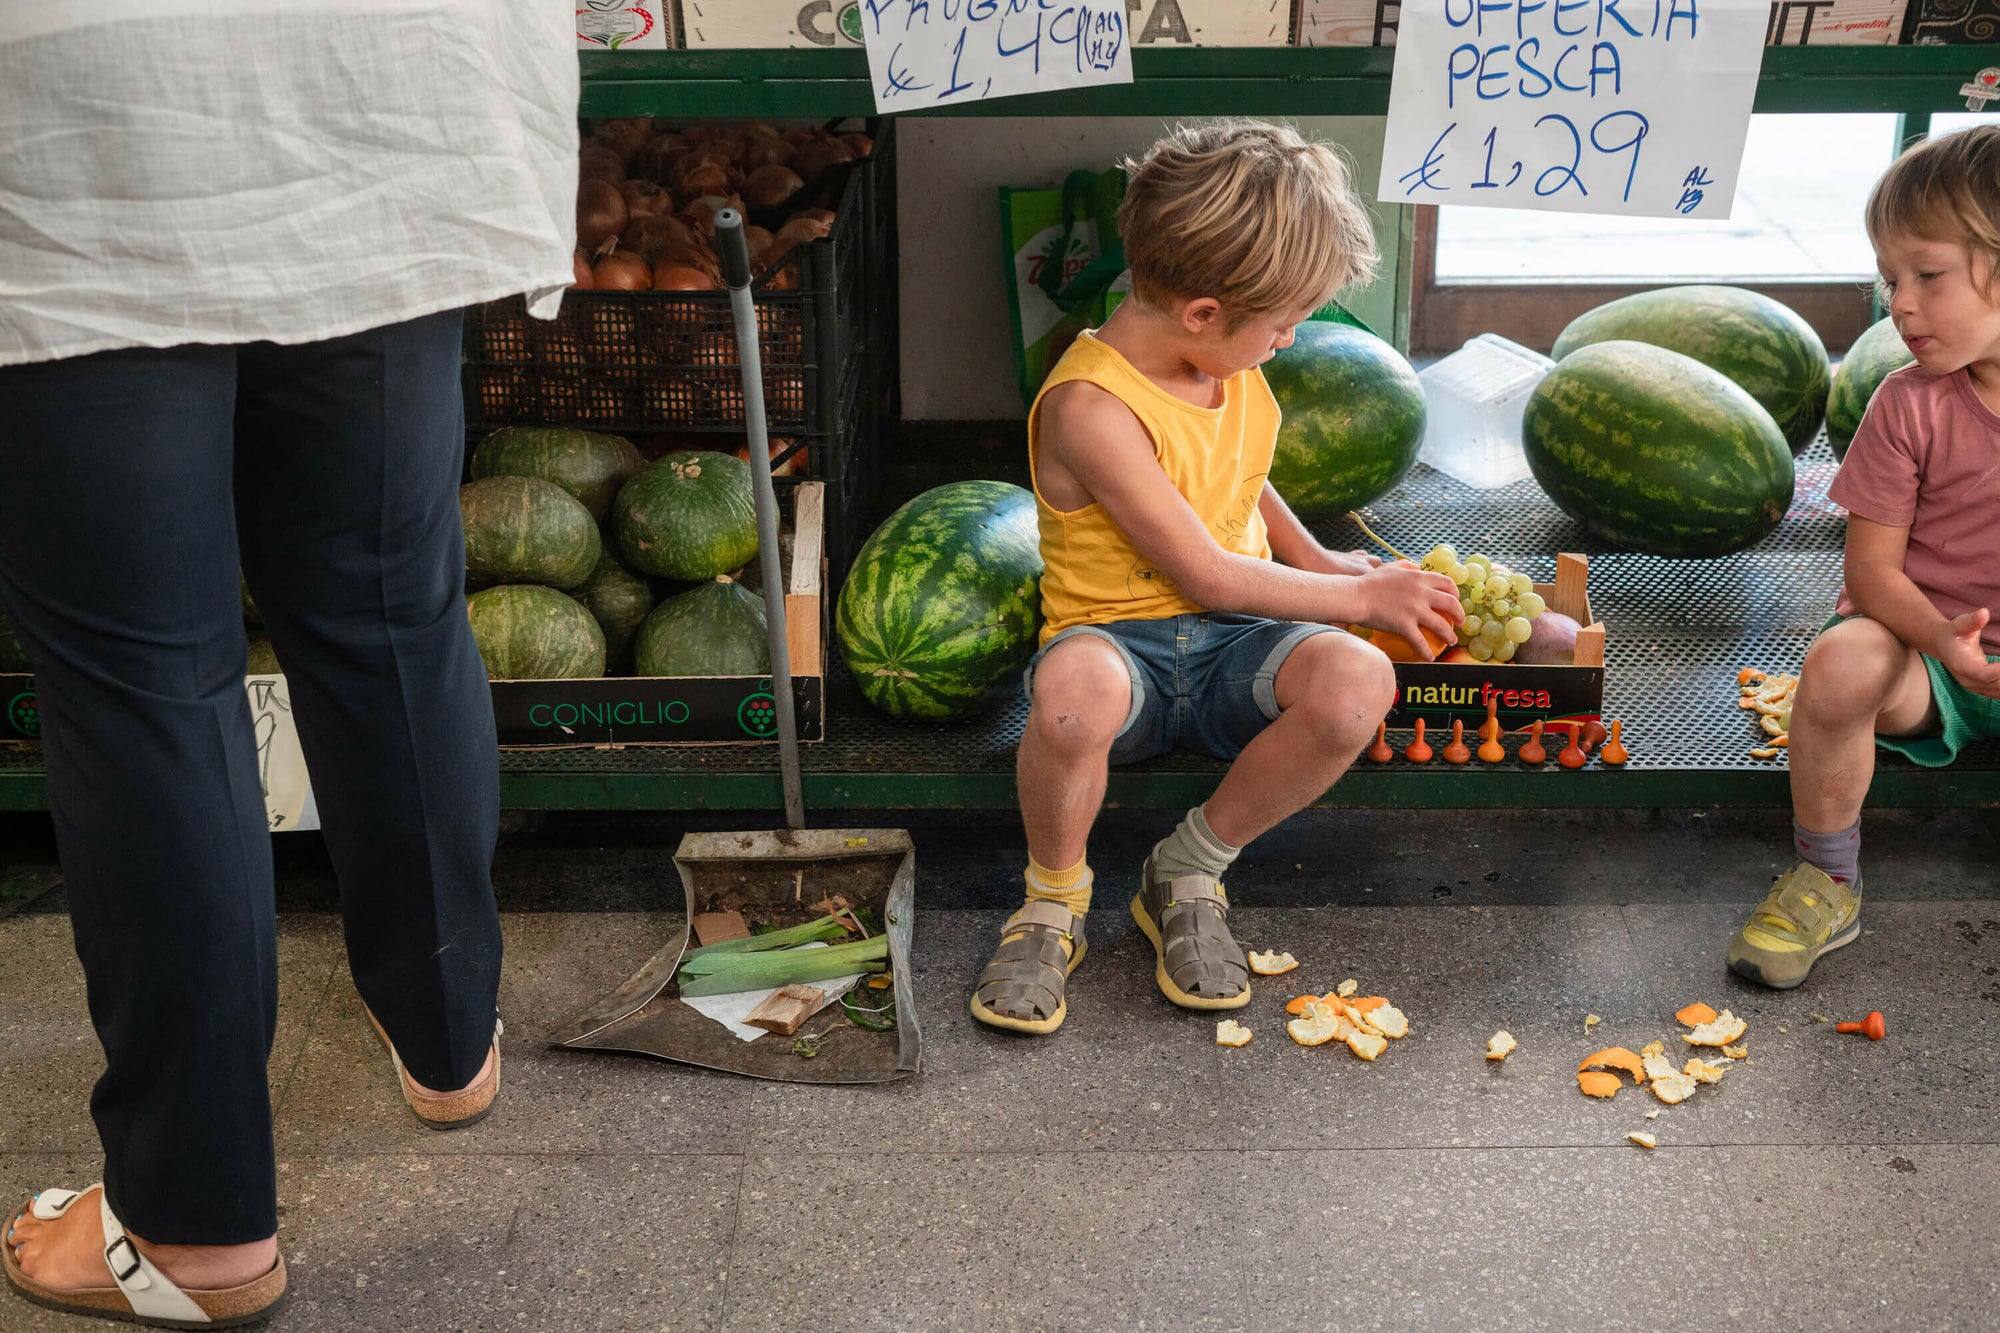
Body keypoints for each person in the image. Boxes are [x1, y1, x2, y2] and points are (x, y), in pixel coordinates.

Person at [0, 4, 575, 1325]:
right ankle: (447, 1041)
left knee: (149, 687)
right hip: (373, 77)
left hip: (86, 109)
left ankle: (196, 1227)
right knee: (386, 604)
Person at [972, 121, 1463, 1034]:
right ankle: (1052, 901)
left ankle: (1188, 869)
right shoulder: (1091, 406)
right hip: (1121, 649)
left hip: (1236, 648)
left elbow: (1240, 468)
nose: (1287, 341)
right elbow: (1205, 571)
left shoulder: (1220, 367)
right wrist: (1360, 595)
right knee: (1073, 695)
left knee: (1361, 681)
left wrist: (1313, 555)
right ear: (1203, 312)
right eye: (1281, 326)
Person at [1727, 125, 2000, 989]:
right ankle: (1827, 878)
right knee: (1839, 664)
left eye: (1928, 275)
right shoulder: (1906, 403)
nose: (1901, 305)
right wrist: (1948, 641)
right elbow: (1871, 575)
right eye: (1890, 279)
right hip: (1930, 660)